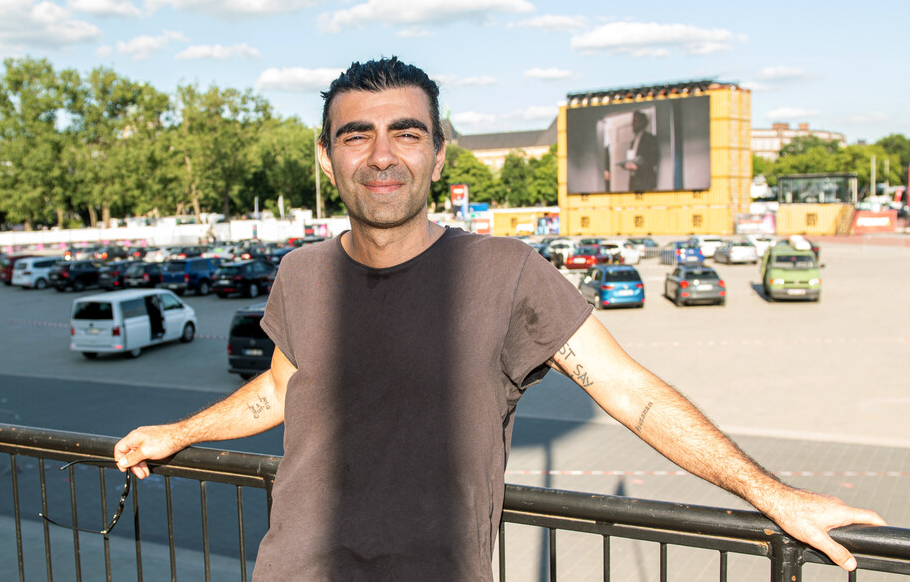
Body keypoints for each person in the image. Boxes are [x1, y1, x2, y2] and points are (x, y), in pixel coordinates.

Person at [114, 57, 884, 580]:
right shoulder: (302, 271)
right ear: (327, 157)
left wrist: (770, 494)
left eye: (405, 133)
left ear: (439, 155)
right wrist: (178, 432)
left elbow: (631, 393)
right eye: (357, 135)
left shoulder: (507, 272)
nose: (381, 155)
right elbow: (281, 392)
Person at [623, 110, 660, 191]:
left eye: (635, 121)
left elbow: (654, 159)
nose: (632, 124)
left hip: (645, 181)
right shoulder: (633, 141)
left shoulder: (650, 138)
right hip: (634, 181)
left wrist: (638, 166)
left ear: (642, 122)